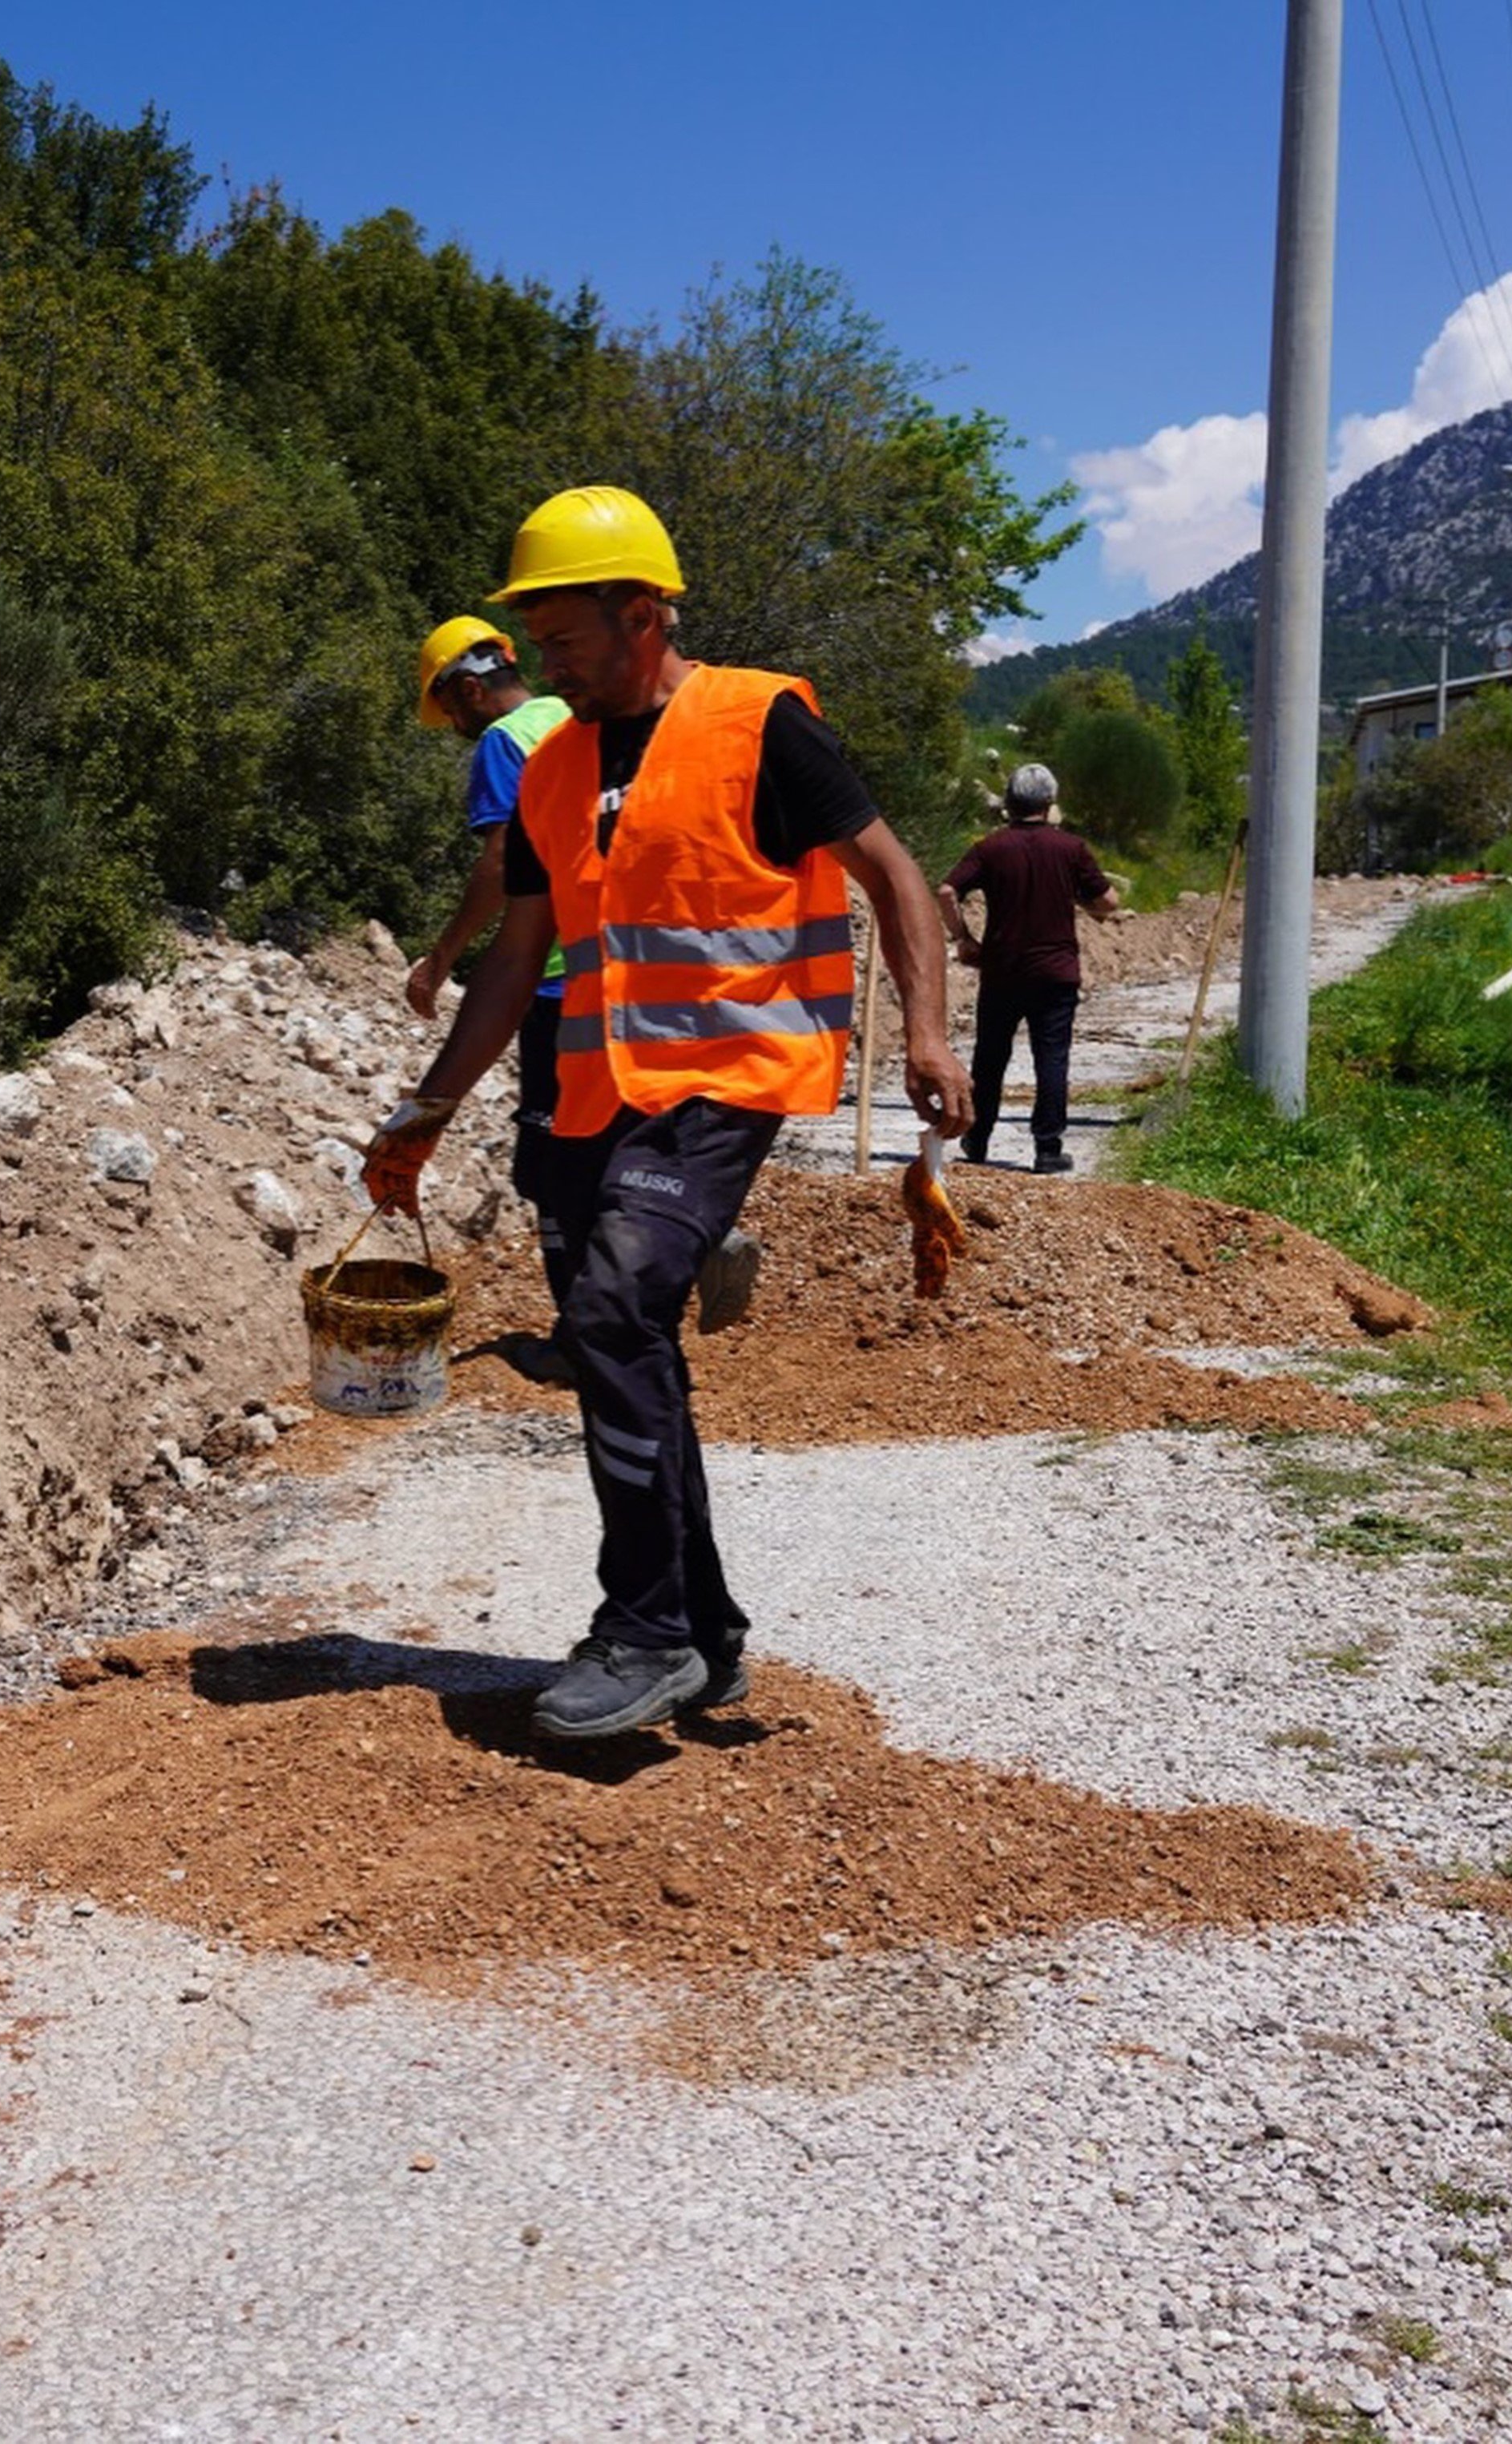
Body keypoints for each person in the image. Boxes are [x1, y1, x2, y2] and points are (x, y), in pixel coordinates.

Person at [364, 486, 970, 1742]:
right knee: (617, 1338)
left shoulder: (761, 724)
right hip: (599, 1094)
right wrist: (428, 1106)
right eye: (535, 637)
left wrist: (925, 1029)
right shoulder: (555, 768)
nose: (545, 660)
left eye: (567, 634)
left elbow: (894, 873)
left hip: (730, 1081)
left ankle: (639, 1629)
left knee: (614, 1305)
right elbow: (515, 953)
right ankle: (704, 1631)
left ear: (644, 612)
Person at [407, 617, 572, 1301]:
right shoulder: (570, 714)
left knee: (550, 1160)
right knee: (616, 1138)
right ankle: (692, 1240)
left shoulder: (506, 742)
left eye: (448, 710)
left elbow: (502, 859)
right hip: (635, 964)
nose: (452, 727)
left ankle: (583, 1333)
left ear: (470, 688)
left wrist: (441, 959)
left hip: (559, 974)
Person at [937, 761, 1119, 1176]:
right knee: (1051, 1058)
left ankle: (977, 1138)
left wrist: (963, 939)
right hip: (1056, 974)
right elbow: (1109, 903)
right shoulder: (1071, 849)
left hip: (1003, 970)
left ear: (1010, 803)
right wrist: (1080, 901)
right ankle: (1048, 1148)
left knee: (990, 1056)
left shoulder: (990, 848)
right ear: (1050, 803)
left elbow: (947, 890)